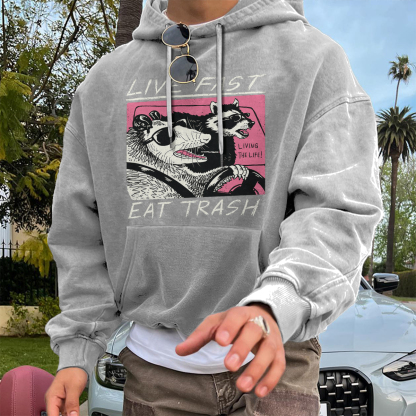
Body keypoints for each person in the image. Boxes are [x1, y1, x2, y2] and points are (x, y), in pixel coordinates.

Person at [44, 0, 384, 415]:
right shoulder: (104, 83)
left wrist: (277, 304)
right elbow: (78, 230)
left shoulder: (315, 60)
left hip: (277, 363)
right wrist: (79, 346)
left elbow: (337, 213)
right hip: (155, 376)